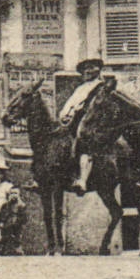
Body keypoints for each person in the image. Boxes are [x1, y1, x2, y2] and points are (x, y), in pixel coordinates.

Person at [60, 57, 106, 194]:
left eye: (91, 67)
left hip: (93, 123)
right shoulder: (80, 88)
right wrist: (65, 115)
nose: (87, 71)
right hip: (73, 122)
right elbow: (69, 104)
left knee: (84, 144)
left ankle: (83, 180)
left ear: (98, 70)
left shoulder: (101, 88)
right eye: (85, 68)